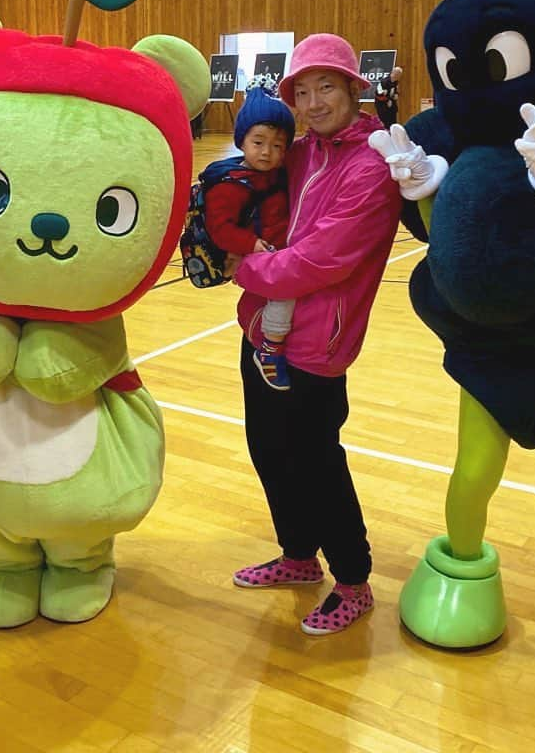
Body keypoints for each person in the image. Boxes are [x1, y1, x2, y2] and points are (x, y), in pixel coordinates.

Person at [227, 33, 402, 636]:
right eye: (302, 91)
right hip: (261, 331)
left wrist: (240, 267)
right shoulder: (301, 153)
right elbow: (249, 190)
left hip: (315, 344)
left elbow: (321, 259)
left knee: (318, 463)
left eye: (325, 86)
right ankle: (300, 557)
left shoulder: (371, 165)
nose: (313, 101)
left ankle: (353, 581)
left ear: (355, 88)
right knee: (269, 452)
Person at [202, 86, 296, 390]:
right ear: (241, 141)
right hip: (258, 254)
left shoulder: (274, 174)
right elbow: (220, 229)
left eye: (278, 146)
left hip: (275, 250)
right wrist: (251, 245)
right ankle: (270, 349)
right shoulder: (229, 184)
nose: (267, 152)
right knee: (286, 294)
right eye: (258, 143)